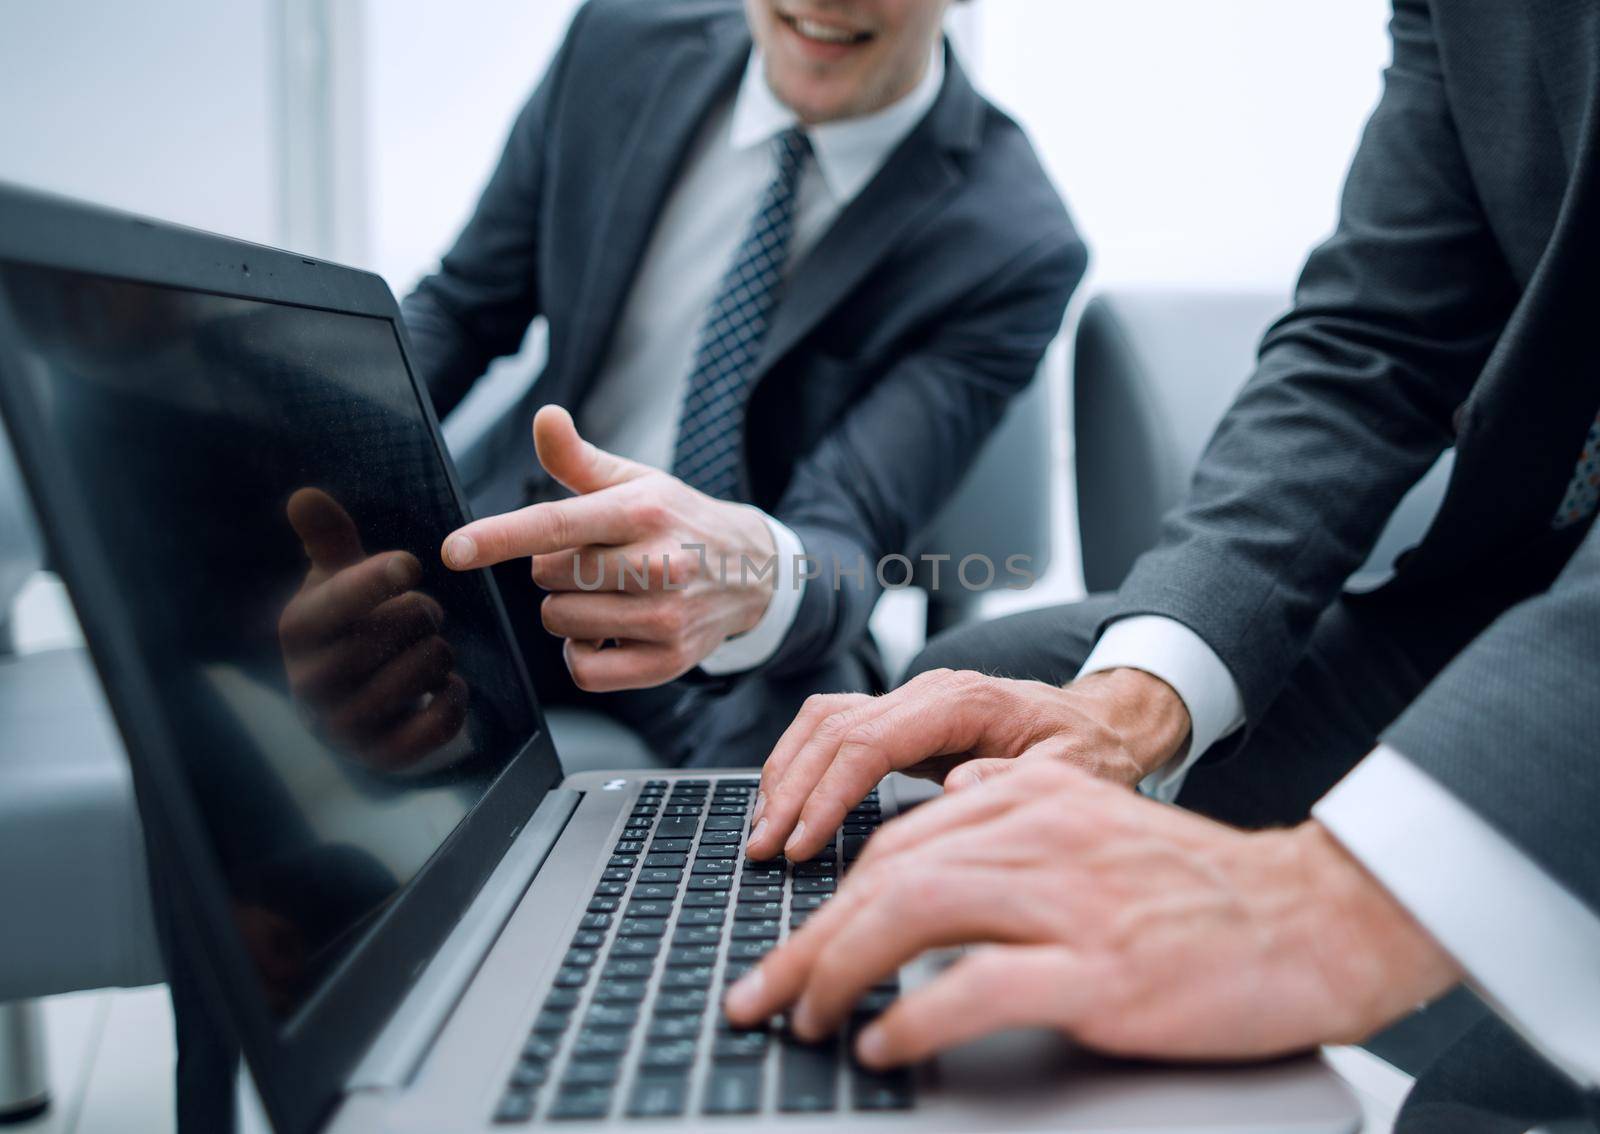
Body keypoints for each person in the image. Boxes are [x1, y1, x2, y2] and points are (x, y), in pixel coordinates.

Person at [729, 1, 1600, 1129]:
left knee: (1467, 1112)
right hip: (1517, 587)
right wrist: (1123, 709)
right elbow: (1374, 338)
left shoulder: (1002, 215)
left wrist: (1328, 906)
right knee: (972, 719)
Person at [409, 0, 1083, 767]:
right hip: (522, 543)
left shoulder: (1014, 242)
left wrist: (748, 571)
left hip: (739, 608)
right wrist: (327, 437)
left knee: (812, 759)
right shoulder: (616, 42)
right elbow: (464, 310)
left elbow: (849, 522)